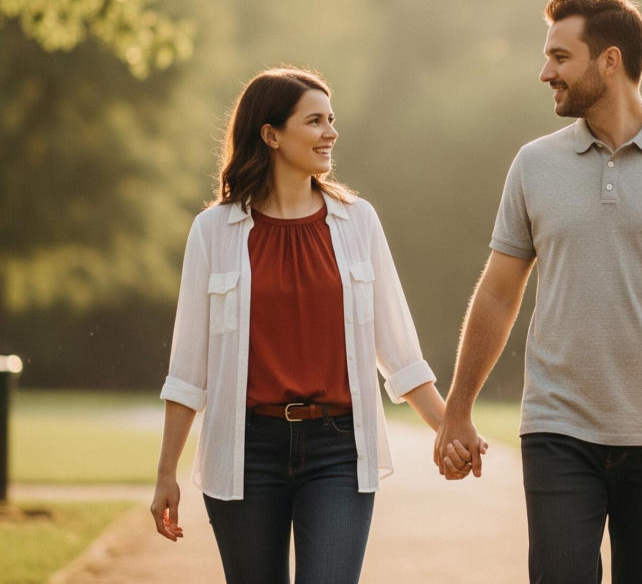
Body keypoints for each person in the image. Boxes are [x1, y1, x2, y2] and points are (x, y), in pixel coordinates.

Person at [434, 0, 642, 584]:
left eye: (560, 57)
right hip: (559, 429)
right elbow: (499, 293)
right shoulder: (534, 165)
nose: (545, 72)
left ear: (609, 61)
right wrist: (457, 410)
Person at [151, 66, 479, 583]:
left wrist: (450, 430)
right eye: (315, 121)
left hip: (338, 451)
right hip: (245, 451)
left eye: (332, 120)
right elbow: (189, 367)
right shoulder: (213, 231)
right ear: (271, 134)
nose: (331, 133)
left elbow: (398, 351)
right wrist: (166, 473)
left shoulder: (358, 222)